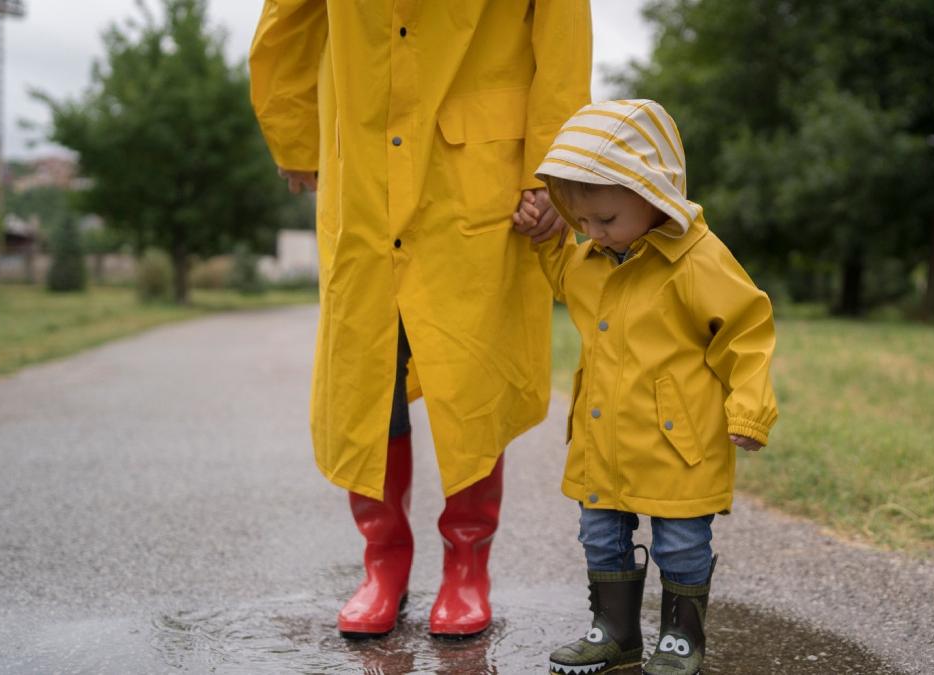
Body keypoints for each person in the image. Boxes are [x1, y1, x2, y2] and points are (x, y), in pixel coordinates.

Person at [248, 1, 592, 639]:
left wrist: (554, 170)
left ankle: (467, 564)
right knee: (369, 368)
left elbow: (564, 41)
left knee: (474, 373)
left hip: (479, 176)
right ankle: (384, 562)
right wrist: (295, 133)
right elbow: (286, 18)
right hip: (364, 163)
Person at [512, 99, 779, 675]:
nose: (592, 232)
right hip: (604, 437)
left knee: (681, 542)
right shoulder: (589, 255)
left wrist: (750, 411)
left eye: (605, 220)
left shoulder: (697, 260)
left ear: (654, 193)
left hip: (678, 442)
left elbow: (746, 329)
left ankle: (682, 638)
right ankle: (614, 631)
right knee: (599, 534)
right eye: (581, 221)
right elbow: (562, 274)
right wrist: (547, 236)